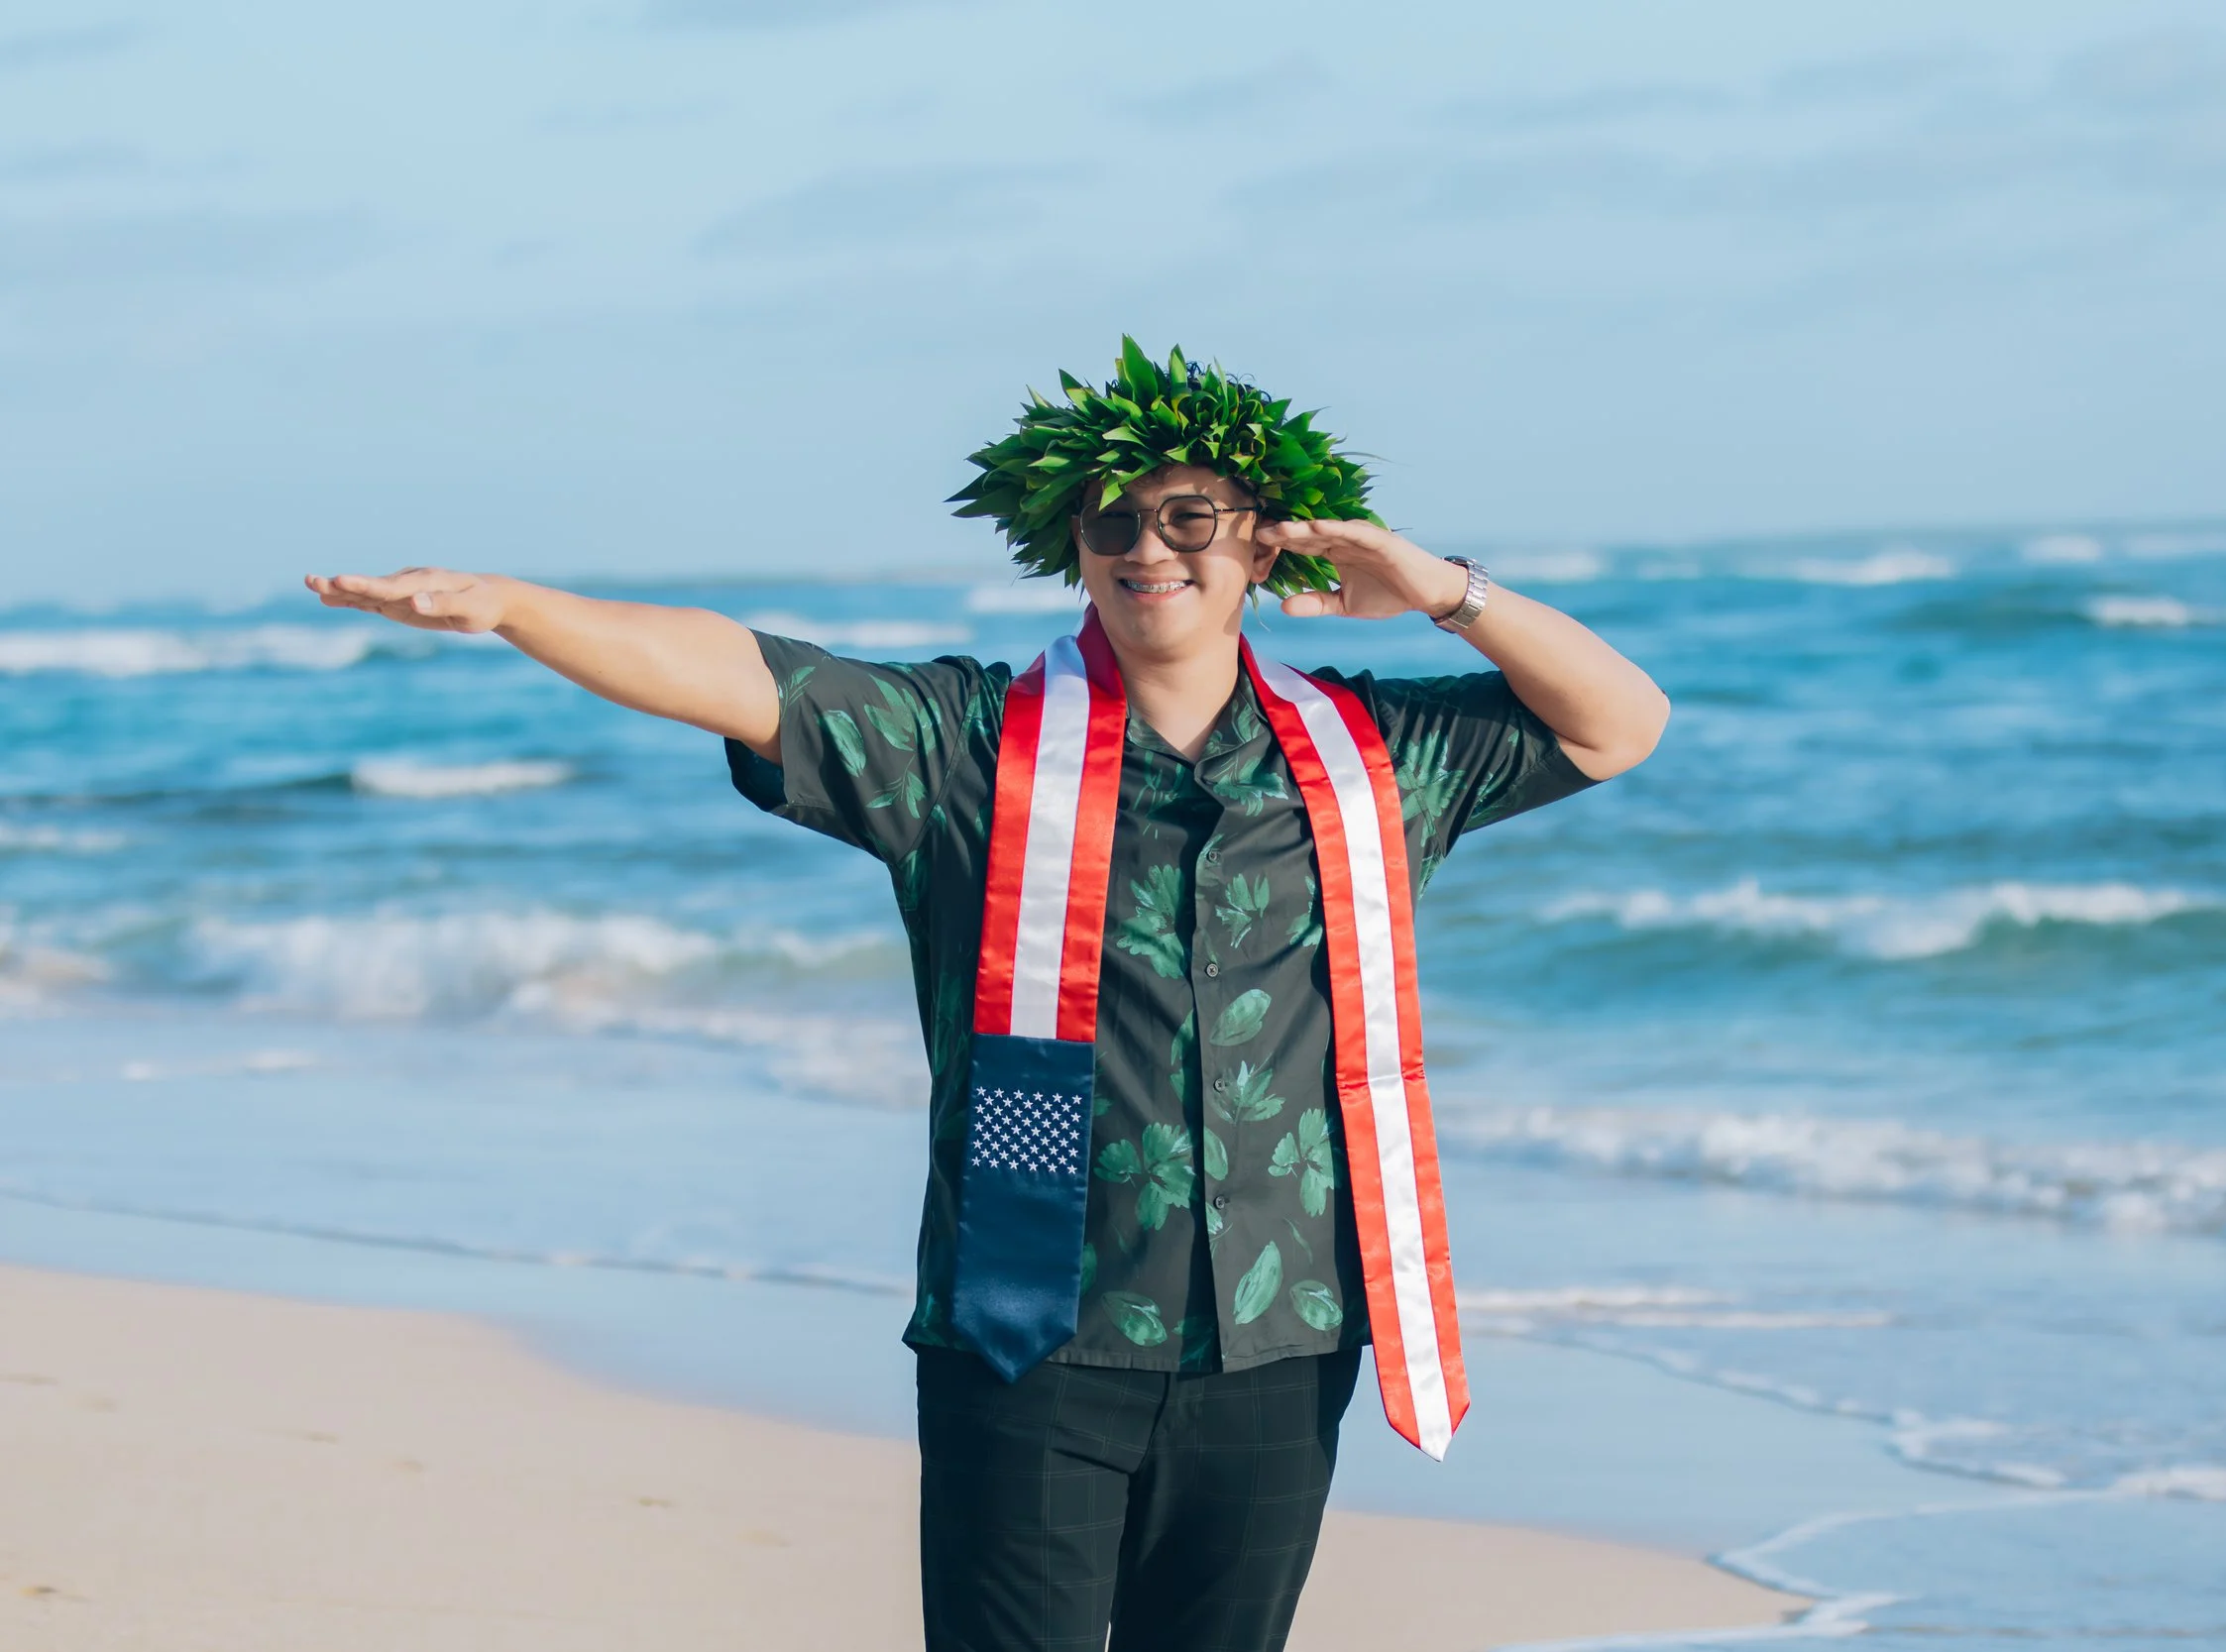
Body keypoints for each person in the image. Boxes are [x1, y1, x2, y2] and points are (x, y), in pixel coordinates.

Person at [306, 340, 1668, 1652]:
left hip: (1282, 1341)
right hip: (1030, 1337)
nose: (1146, 549)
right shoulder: (966, 749)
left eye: (1189, 516)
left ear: (1263, 540)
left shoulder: (1375, 757)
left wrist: (1437, 585)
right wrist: (520, 608)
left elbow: (1620, 721)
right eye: (1108, 523)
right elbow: (745, 674)